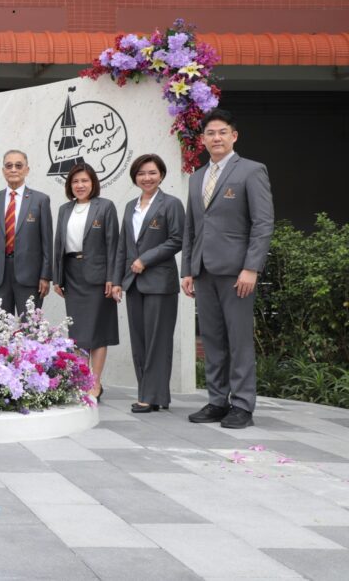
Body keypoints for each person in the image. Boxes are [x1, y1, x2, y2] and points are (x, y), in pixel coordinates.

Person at [182, 108, 274, 429]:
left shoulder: (251, 171)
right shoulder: (196, 177)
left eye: (222, 132)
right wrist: (188, 269)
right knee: (212, 339)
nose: (216, 138)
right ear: (203, 139)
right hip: (203, 271)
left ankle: (243, 405)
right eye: (210, 133)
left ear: (234, 136)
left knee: (239, 340)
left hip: (238, 273)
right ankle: (217, 401)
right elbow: (191, 227)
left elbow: (263, 223)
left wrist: (252, 267)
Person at [112, 154, 184, 413]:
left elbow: (177, 239)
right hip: (134, 284)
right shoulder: (130, 206)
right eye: (141, 173)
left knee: (158, 341)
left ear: (161, 175)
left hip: (160, 283)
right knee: (140, 342)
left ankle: (150, 396)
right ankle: (151, 394)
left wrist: (145, 259)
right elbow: (123, 246)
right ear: (135, 177)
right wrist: (118, 281)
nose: (147, 178)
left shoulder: (171, 204)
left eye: (152, 172)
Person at [53, 163, 119, 401]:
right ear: (70, 185)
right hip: (72, 275)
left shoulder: (105, 207)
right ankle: (83, 381)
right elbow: (58, 244)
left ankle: (96, 383)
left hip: (99, 277)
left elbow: (113, 245)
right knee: (78, 333)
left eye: (85, 181)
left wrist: (113, 277)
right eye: (75, 181)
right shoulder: (64, 209)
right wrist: (57, 277)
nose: (80, 185)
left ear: (93, 183)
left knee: (98, 332)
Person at [0, 149, 52, 314]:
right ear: (3, 170)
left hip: (30, 276)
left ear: (27, 170)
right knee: (1, 325)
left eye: (18, 166)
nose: (13, 169)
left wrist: (45, 276)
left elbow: (47, 242)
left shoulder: (40, 200)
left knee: (30, 326)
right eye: (9, 166)